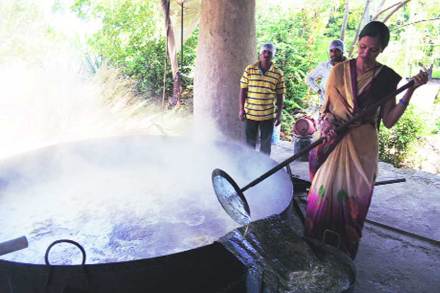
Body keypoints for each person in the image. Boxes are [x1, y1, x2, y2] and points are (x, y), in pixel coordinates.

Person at [305, 21, 429, 259]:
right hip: (333, 141)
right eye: (362, 47)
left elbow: (389, 120)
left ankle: (342, 256)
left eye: (373, 50)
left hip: (362, 147)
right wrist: (328, 122)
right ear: (358, 43)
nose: (365, 54)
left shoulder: (387, 78)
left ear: (381, 50)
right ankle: (314, 249)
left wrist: (410, 89)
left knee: (353, 202)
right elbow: (325, 110)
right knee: (322, 195)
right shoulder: (338, 71)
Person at [239, 43, 285, 155]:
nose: (266, 54)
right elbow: (243, 90)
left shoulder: (278, 73)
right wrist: (241, 109)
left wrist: (279, 114)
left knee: (265, 145)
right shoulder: (250, 69)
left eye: (269, 52)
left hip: (268, 116)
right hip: (251, 114)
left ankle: (264, 169)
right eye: (264, 51)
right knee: (249, 144)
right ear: (260, 53)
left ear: (273, 55)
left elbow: (280, 95)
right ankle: (249, 166)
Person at [306, 39, 347, 104]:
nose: (333, 53)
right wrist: (318, 90)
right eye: (331, 51)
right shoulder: (324, 66)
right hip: (325, 103)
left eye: (337, 50)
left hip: (343, 105)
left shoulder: (349, 66)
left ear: (342, 51)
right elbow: (309, 78)